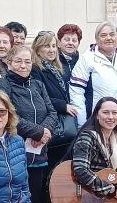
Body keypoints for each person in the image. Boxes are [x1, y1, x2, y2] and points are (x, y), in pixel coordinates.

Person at [0, 45, 58, 203]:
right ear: (9, 62)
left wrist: (43, 132)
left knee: (35, 196)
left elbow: (52, 112)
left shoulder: (38, 85)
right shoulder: (1, 84)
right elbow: (6, 115)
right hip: (12, 154)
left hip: (39, 152)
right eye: (18, 61)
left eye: (27, 62)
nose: (23, 65)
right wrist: (37, 132)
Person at [70, 21, 117, 126]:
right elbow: (76, 92)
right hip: (95, 121)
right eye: (103, 35)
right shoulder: (86, 59)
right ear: (97, 39)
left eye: (112, 34)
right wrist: (82, 123)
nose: (108, 38)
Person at [71, 97, 117, 202]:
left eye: (115, 113)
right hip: (83, 193)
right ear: (97, 115)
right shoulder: (87, 137)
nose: (111, 117)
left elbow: (113, 173)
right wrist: (111, 189)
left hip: (99, 195)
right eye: (106, 112)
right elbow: (80, 170)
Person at [30, 31, 79, 169]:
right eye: (47, 46)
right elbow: (39, 96)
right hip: (49, 122)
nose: (51, 50)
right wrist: (63, 106)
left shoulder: (56, 68)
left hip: (61, 122)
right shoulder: (35, 69)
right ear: (38, 49)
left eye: (53, 46)